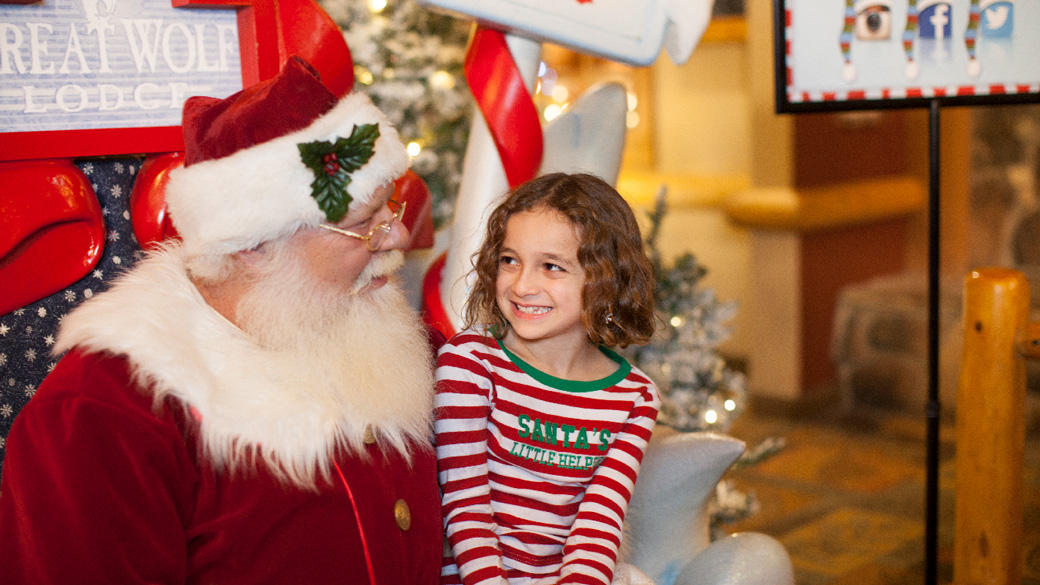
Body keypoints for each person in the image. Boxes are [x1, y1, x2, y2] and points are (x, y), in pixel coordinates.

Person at [0, 56, 442, 584]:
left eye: (387, 210)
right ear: (252, 247)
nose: (395, 239)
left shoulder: (384, 332)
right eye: (362, 226)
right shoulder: (108, 411)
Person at [435, 173, 662, 585]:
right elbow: (465, 506)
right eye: (510, 260)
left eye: (551, 267)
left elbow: (598, 524)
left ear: (605, 280)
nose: (522, 285)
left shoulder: (635, 398)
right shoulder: (470, 363)